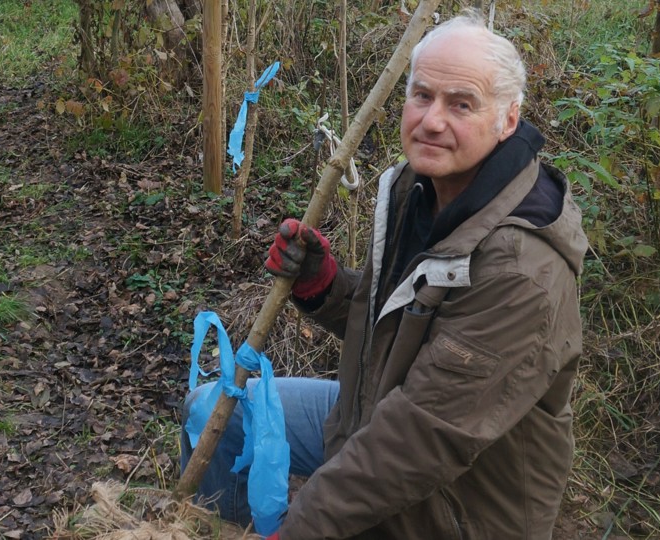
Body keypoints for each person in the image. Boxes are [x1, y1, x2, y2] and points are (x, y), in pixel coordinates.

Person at [181, 9, 588, 540]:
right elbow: (391, 326)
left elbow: (421, 439)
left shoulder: (521, 267)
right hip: (378, 415)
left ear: (508, 120)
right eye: (422, 96)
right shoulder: (416, 191)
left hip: (456, 503)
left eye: (461, 104)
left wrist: (299, 530)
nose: (433, 120)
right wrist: (324, 287)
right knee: (213, 409)